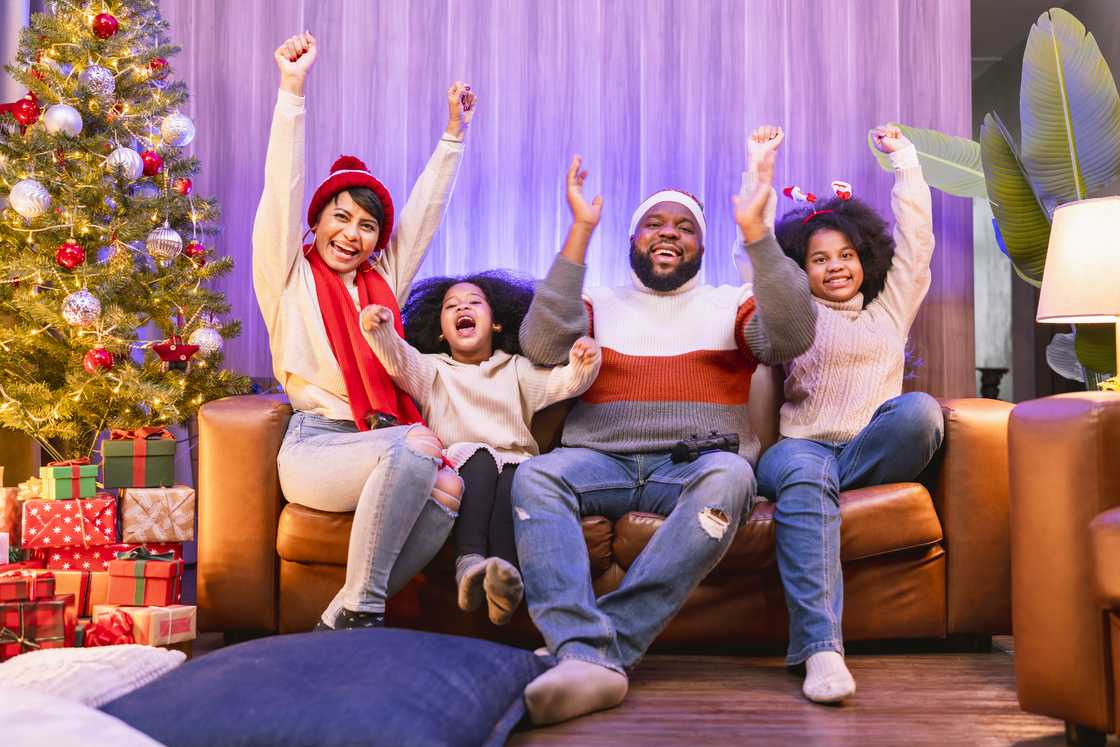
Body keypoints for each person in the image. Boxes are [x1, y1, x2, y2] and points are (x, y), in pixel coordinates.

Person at [510, 141, 817, 725]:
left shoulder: (733, 303)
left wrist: (757, 234)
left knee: (731, 477)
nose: (669, 233)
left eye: (685, 227)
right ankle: (588, 648)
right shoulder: (598, 301)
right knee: (535, 475)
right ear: (633, 241)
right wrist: (579, 230)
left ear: (702, 245)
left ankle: (592, 655)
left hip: (693, 467)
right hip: (599, 461)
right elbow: (542, 345)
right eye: (654, 224)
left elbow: (793, 335)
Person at [252, 31, 476, 630]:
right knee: (420, 445)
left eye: (369, 226)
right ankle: (367, 609)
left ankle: (342, 616)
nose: (354, 234)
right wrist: (292, 94)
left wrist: (453, 136)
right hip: (316, 447)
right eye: (341, 218)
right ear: (318, 221)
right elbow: (282, 191)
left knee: (449, 487)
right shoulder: (287, 275)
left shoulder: (382, 281)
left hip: (379, 441)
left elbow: (425, 215)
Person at [748, 124, 944, 703]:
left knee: (921, 412)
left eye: (846, 255)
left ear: (864, 260)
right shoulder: (792, 312)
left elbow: (918, 244)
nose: (835, 267)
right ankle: (822, 651)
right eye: (819, 259)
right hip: (798, 450)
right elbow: (755, 254)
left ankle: (820, 493)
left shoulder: (890, 311)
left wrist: (905, 162)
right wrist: (760, 170)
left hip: (865, 450)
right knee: (808, 473)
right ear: (800, 269)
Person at [358, 264, 601, 625]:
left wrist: (583, 363)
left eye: (474, 303)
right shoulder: (433, 371)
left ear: (497, 324)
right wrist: (379, 329)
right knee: (484, 461)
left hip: (516, 468)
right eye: (451, 306)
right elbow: (397, 359)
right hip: (461, 469)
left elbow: (562, 384)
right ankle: (469, 562)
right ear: (441, 332)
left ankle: (503, 574)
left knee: (516, 477)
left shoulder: (515, 369)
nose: (462, 309)